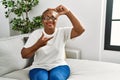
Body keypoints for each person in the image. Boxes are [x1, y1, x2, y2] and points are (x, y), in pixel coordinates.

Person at [21, 5, 85, 80]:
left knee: (56, 78)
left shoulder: (62, 32)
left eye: (53, 18)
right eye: (47, 18)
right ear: (42, 21)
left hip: (59, 66)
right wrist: (38, 45)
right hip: (39, 67)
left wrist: (67, 12)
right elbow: (24, 55)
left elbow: (80, 30)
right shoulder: (36, 34)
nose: (50, 20)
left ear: (57, 20)